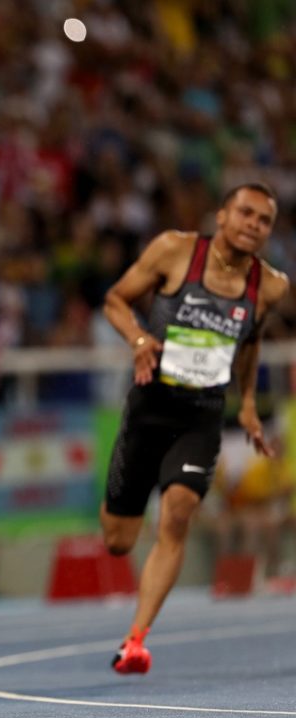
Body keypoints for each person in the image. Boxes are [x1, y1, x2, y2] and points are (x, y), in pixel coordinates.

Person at [101, 182, 289, 675]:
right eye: (245, 213)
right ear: (222, 215)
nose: (254, 224)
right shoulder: (175, 251)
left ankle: (135, 641)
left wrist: (246, 402)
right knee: (119, 539)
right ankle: (126, 511)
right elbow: (115, 300)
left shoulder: (269, 286)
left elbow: (251, 342)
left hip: (203, 413)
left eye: (264, 220)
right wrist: (139, 338)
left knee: (179, 511)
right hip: (148, 408)